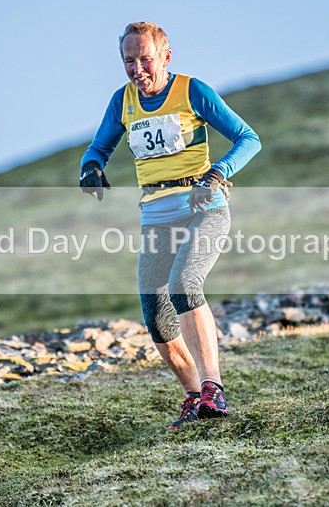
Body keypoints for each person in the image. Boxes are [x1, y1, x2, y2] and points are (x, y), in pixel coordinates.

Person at [78, 22, 261, 429]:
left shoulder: (192, 90)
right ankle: (195, 397)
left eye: (145, 58)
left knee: (184, 284)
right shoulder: (122, 101)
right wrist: (91, 168)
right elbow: (98, 147)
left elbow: (248, 138)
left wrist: (216, 173)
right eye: (129, 60)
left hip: (203, 205)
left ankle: (214, 386)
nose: (137, 68)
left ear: (165, 57)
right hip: (156, 215)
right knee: (155, 312)